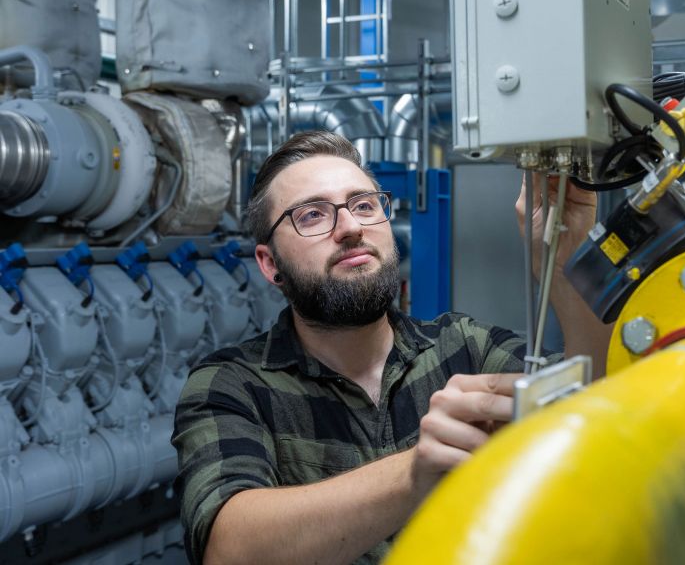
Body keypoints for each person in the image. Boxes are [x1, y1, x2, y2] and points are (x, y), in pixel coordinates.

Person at [173, 130, 611, 564]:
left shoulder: (463, 348)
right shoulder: (232, 386)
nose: (349, 227)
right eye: (312, 215)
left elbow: (600, 400)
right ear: (271, 265)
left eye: (363, 205)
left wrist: (568, 264)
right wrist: (415, 472)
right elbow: (228, 550)